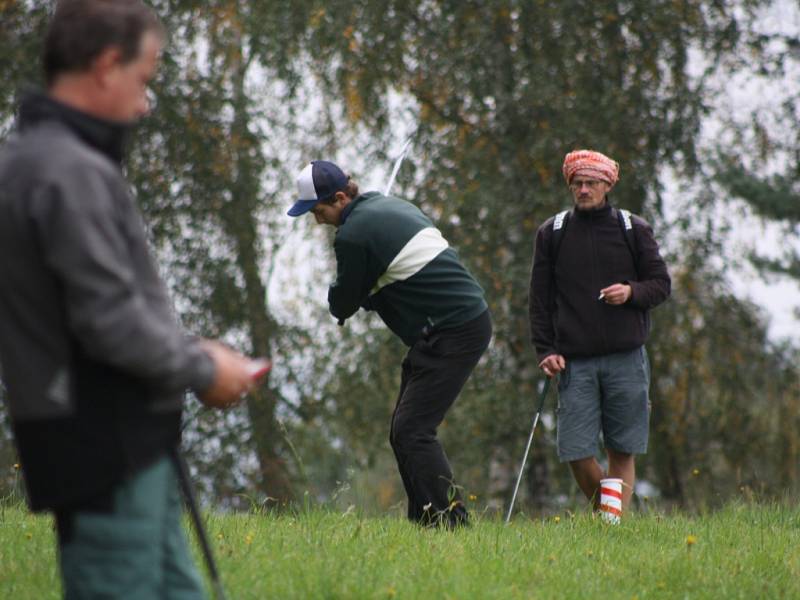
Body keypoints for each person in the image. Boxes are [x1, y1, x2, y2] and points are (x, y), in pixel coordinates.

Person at [0, 1, 265, 597]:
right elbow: (109, 320)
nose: (146, 103)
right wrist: (202, 367)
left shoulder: (36, 160)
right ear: (104, 64)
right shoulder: (67, 172)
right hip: (103, 442)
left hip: (120, 440)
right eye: (143, 79)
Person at [288, 160, 491, 527]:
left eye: (319, 211)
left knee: (413, 430)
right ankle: (426, 519)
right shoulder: (392, 206)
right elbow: (387, 280)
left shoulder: (352, 236)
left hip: (452, 328)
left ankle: (452, 523)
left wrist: (344, 297)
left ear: (339, 198)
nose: (317, 220)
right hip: (456, 321)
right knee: (403, 427)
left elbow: (344, 301)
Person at [528, 149, 671, 517]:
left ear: (608, 184)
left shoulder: (632, 228)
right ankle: (609, 517)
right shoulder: (552, 233)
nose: (583, 189)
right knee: (576, 450)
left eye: (591, 183)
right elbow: (540, 300)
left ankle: (610, 528)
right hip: (575, 361)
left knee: (622, 449)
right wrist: (546, 349)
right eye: (577, 183)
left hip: (627, 358)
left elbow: (660, 284)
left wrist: (630, 292)